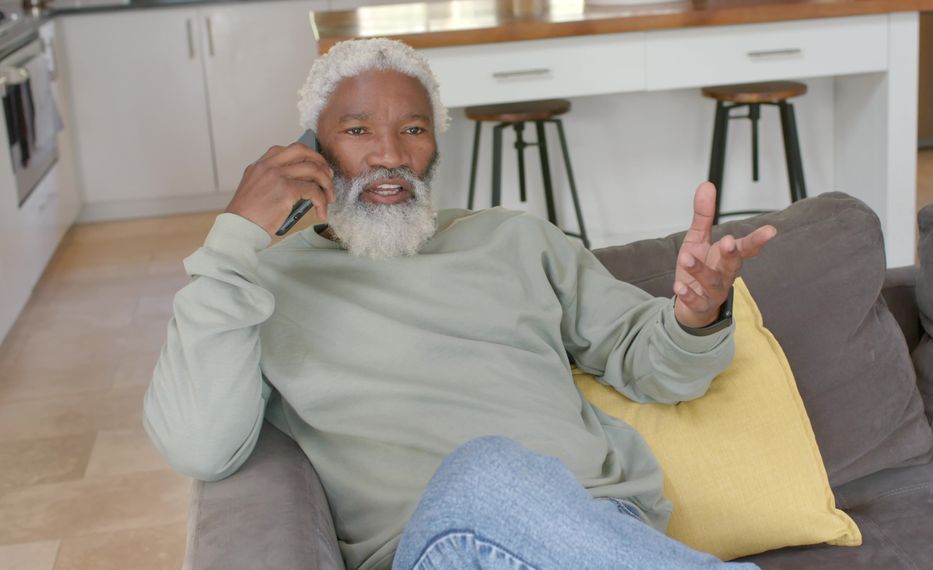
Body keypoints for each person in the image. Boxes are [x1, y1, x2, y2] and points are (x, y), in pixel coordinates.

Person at [144, 38, 775, 570]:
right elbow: (200, 447)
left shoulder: (514, 239)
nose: (390, 155)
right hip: (432, 550)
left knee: (500, 469)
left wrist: (696, 315)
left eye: (412, 130)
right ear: (311, 149)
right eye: (358, 131)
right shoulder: (263, 283)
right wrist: (235, 236)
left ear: (436, 145)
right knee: (485, 465)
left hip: (594, 525)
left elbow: (657, 369)